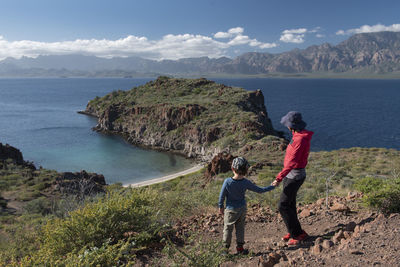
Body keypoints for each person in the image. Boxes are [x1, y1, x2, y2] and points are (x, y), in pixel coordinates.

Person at [271, 111, 314, 246]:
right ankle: (294, 230)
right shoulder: (297, 136)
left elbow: (291, 162)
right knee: (290, 204)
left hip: (294, 176)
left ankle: (298, 234)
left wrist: (278, 178)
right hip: (292, 175)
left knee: (283, 205)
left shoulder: (299, 139)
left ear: (291, 126)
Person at [218, 157, 275, 254]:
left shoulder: (227, 182)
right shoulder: (246, 182)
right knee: (240, 228)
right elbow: (260, 190)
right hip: (242, 209)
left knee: (228, 228)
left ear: (233, 169)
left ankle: (225, 250)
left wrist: (220, 206)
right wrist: (272, 186)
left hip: (230, 210)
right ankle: (240, 249)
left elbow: (221, 196)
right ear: (245, 170)